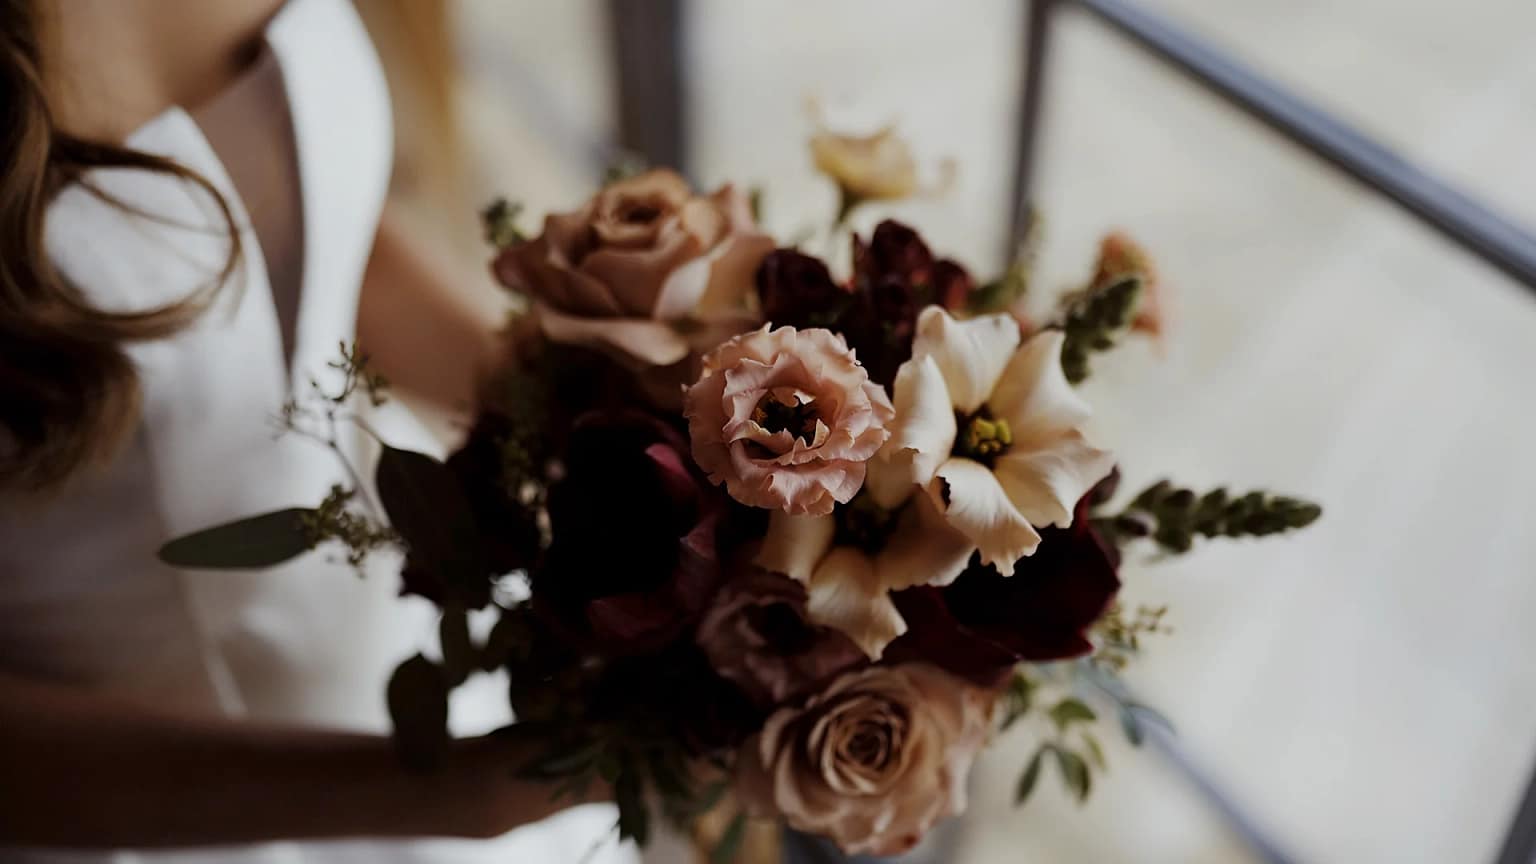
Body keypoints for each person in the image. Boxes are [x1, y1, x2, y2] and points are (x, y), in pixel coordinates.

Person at [0, 0, 633, 861]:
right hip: (142, 814)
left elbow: (314, 230)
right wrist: (446, 796)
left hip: (430, 672)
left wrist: (613, 421)